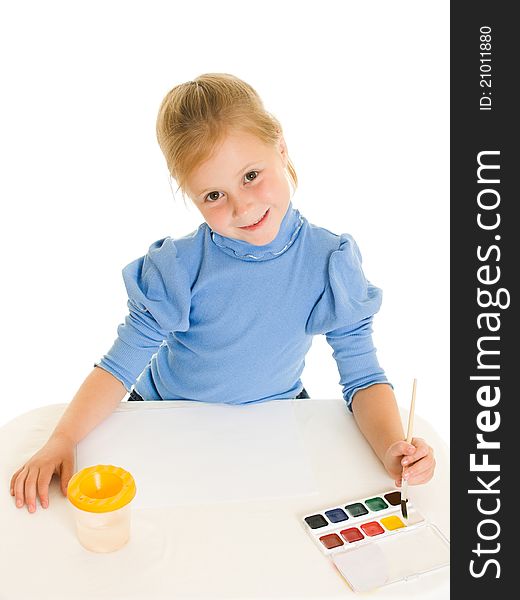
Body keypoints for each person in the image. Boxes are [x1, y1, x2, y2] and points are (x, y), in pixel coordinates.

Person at [10, 73, 435, 513]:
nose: (242, 206)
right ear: (191, 196)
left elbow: (363, 378)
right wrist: (61, 439)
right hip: (165, 419)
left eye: (251, 175)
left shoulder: (328, 262)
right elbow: (120, 367)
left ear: (281, 147)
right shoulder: (179, 267)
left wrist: (391, 447)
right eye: (214, 194)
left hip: (271, 426)